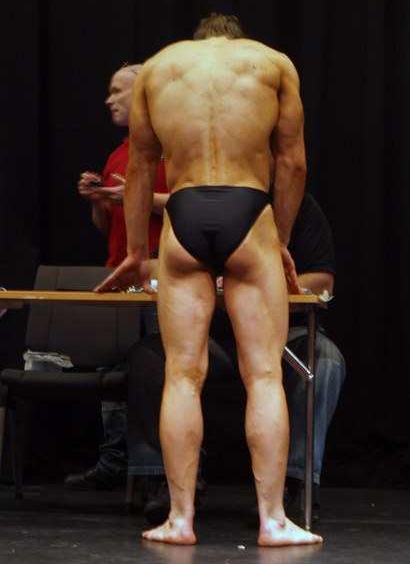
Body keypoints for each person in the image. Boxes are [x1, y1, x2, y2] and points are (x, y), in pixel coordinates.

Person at [95, 13, 322, 546]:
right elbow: (292, 164)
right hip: (248, 209)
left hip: (185, 213)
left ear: (197, 43)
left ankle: (180, 520)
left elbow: (140, 166)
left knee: (181, 374)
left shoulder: (159, 67)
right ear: (236, 40)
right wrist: (279, 240)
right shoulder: (273, 63)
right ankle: (272, 521)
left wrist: (135, 251)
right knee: (263, 375)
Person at [126, 192, 345, 528]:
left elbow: (323, 280)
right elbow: (159, 268)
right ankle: (169, 481)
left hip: (281, 334)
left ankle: (295, 482)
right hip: (209, 337)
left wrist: (260, 285)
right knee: (148, 356)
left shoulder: (300, 208)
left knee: (326, 360)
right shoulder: (193, 206)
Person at [65, 63, 168, 491]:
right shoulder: (117, 154)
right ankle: (114, 459)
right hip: (118, 271)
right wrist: (98, 200)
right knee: (112, 364)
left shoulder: (173, 148)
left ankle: (164, 469)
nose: (109, 100)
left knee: (160, 368)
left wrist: (135, 195)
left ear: (143, 95)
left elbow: (186, 204)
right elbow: (110, 229)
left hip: (158, 273)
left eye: (117, 91)